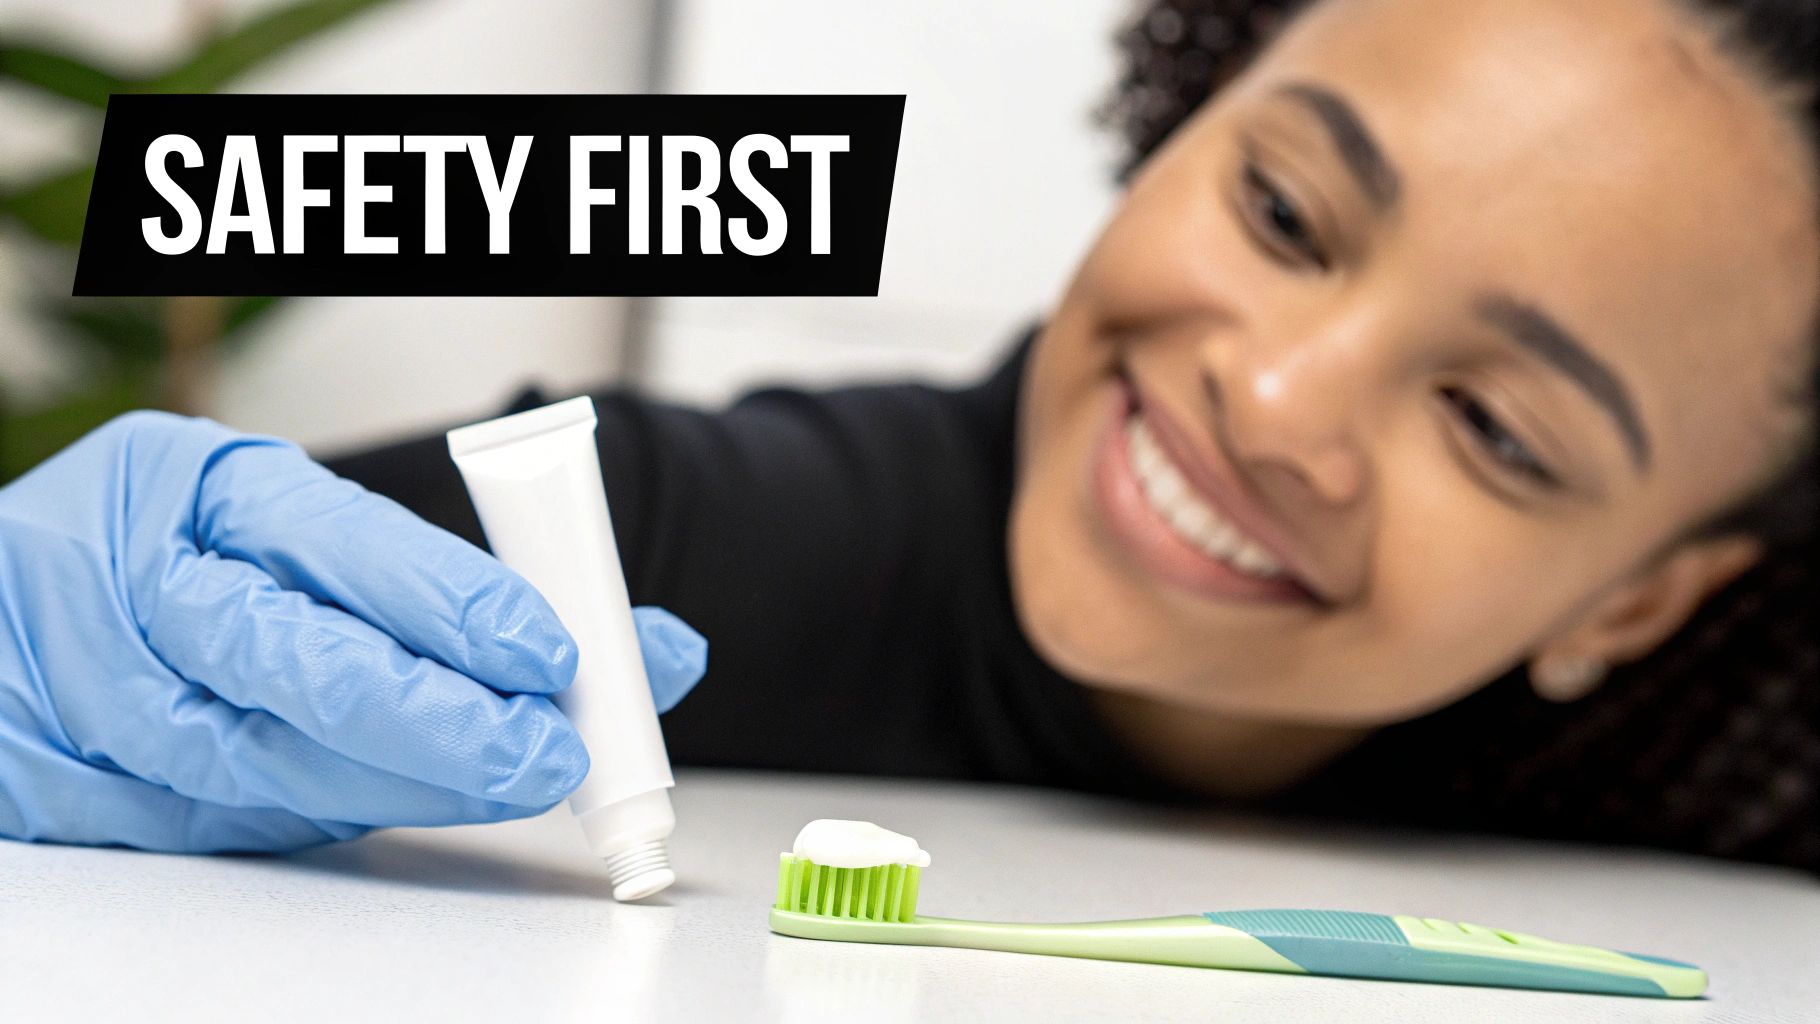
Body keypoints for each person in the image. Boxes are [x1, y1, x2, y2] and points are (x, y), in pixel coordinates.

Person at [3, 0, 1816, 871]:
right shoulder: (674, 542)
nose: (1275, 405)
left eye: (1492, 424)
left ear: (1644, 599)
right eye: (1282, 212)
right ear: (1187, 117)